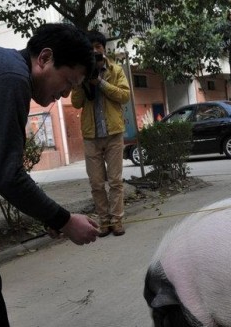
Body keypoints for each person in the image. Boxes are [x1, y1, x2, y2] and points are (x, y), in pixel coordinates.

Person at [0, 24, 101, 326]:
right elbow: (7, 175)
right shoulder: (9, 78)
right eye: (67, 82)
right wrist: (64, 220)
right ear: (45, 58)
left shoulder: (2, 71)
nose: (63, 95)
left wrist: (50, 217)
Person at [71, 30, 131, 237]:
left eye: (98, 46)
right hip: (91, 135)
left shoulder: (115, 70)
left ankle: (117, 221)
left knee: (115, 181)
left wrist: (101, 82)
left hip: (114, 133)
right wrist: (82, 81)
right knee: (96, 183)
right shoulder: (81, 72)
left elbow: (124, 96)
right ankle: (104, 222)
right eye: (91, 47)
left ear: (104, 49)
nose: (95, 50)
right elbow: (76, 102)